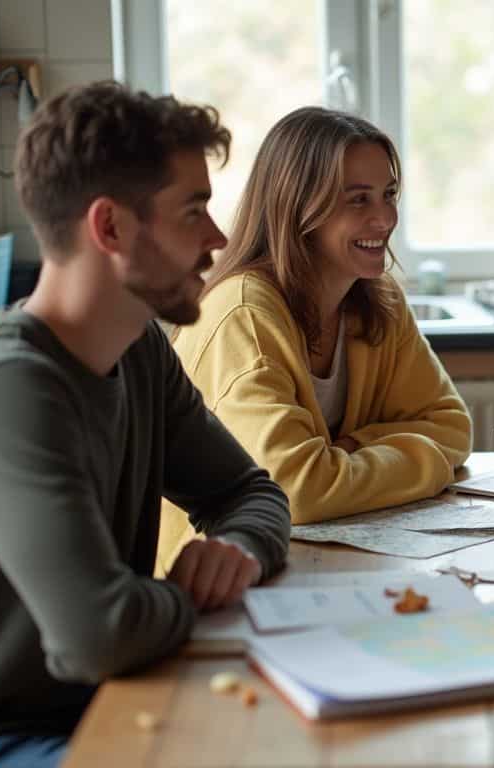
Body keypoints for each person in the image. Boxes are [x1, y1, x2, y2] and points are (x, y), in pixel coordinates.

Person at [0, 82, 291, 768]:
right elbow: (99, 634)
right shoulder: (8, 390)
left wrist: (239, 553)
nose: (219, 239)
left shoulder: (139, 349)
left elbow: (252, 492)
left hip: (102, 699)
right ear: (110, 228)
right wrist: (186, 598)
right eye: (193, 211)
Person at [157, 107, 471, 573]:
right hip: (211, 587)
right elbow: (296, 490)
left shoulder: (378, 301)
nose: (385, 218)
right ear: (298, 207)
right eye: (358, 200)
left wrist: (349, 450)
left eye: (388, 195)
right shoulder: (244, 316)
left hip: (321, 560)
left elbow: (452, 426)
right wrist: (411, 457)